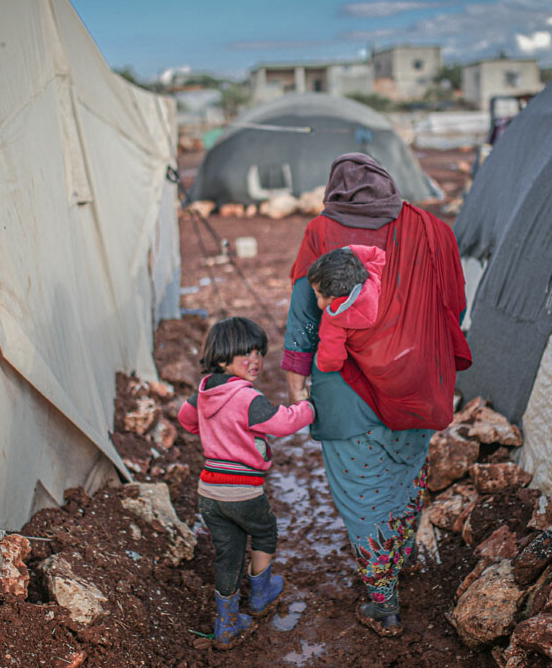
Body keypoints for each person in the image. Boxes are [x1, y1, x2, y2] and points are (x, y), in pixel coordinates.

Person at [281, 153, 471, 637]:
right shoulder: (433, 230)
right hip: (419, 384)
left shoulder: (321, 232)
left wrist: (294, 383)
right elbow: (454, 306)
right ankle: (397, 554)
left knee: (362, 493)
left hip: (343, 389)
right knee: (405, 476)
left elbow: (304, 317)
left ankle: (383, 599)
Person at [177, 316, 316, 650]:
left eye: (259, 352)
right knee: (265, 531)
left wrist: (213, 433)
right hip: (243, 490)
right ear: (223, 358)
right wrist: (307, 407)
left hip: (209, 491)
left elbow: (185, 419)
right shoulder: (247, 398)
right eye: (246, 354)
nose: (255, 360)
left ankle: (226, 624)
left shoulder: (205, 390)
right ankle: (261, 593)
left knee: (228, 553)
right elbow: (282, 423)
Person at [306, 245, 386, 374]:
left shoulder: (333, 321)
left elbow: (330, 361)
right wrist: (346, 252)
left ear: (332, 297)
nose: (317, 301)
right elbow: (378, 254)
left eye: (317, 296)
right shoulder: (375, 276)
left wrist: (318, 363)